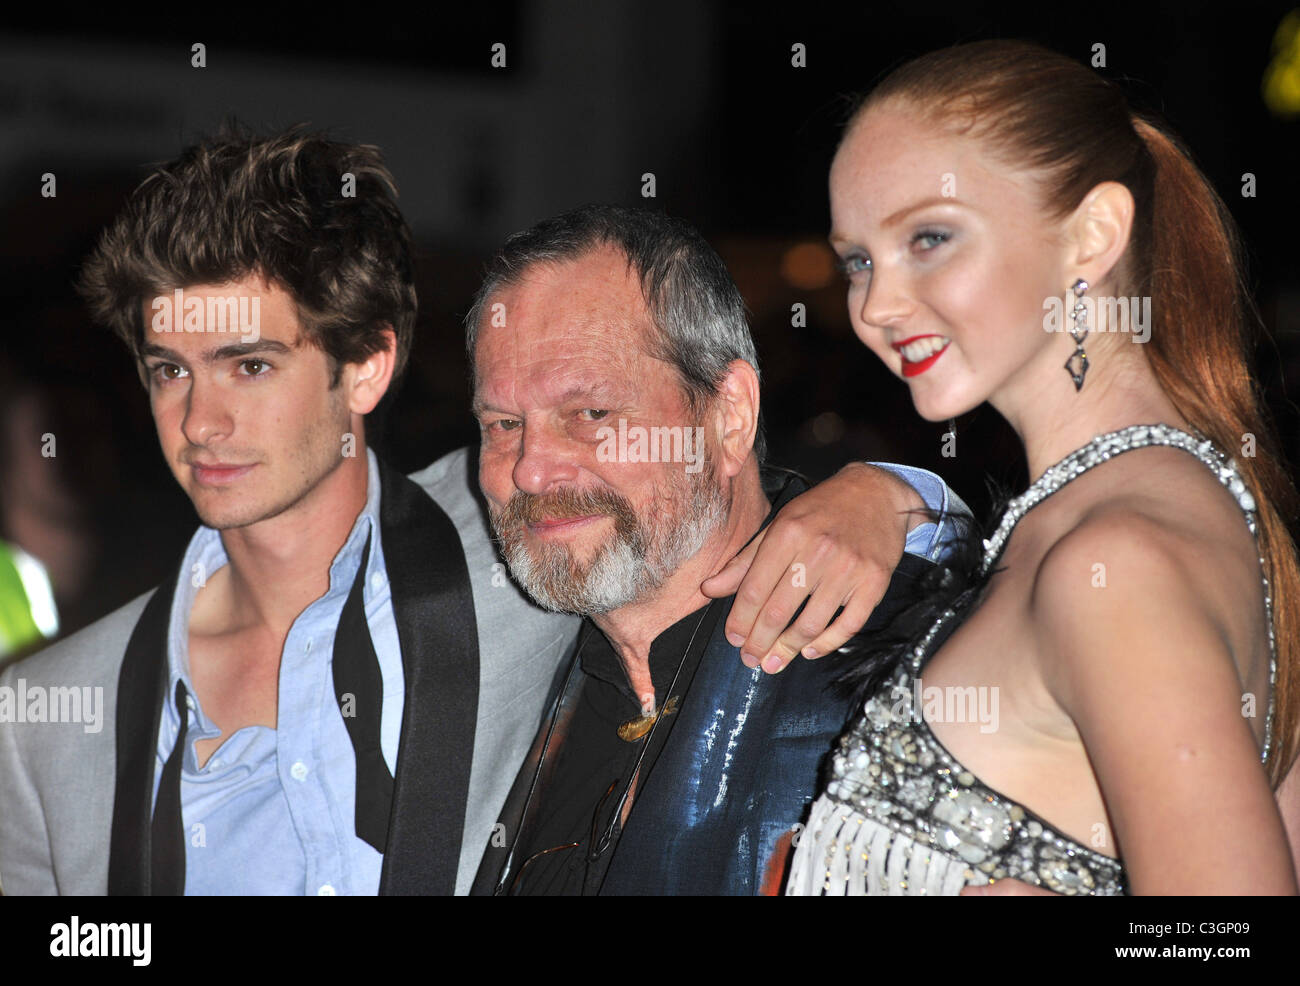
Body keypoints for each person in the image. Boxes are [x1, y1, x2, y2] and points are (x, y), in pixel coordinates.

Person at [0, 126, 956, 896]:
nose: (202, 421)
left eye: (251, 364)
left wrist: (901, 496)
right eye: (169, 370)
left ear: (368, 363)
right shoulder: (45, 722)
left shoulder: (512, 548)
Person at [786, 39, 1300, 896]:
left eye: (930, 238)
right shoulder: (1132, 513)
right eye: (859, 260)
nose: (874, 304)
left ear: (1092, 234)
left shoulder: (1119, 558)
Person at [468, 204, 968, 895]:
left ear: (729, 417)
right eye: (502, 423)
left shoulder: (905, 672)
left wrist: (913, 500)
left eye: (591, 415)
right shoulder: (498, 668)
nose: (530, 469)